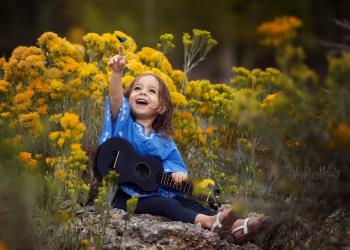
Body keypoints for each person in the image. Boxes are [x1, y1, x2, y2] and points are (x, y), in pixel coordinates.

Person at [98, 46, 272, 245]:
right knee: (166, 203)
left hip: (153, 191)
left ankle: (238, 225)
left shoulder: (164, 140)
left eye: (151, 91)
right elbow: (115, 99)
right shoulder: (124, 122)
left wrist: (177, 173)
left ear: (162, 107)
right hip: (121, 195)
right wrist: (117, 73)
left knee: (187, 201)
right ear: (129, 99)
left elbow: (174, 164)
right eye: (137, 89)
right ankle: (208, 221)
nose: (142, 93)